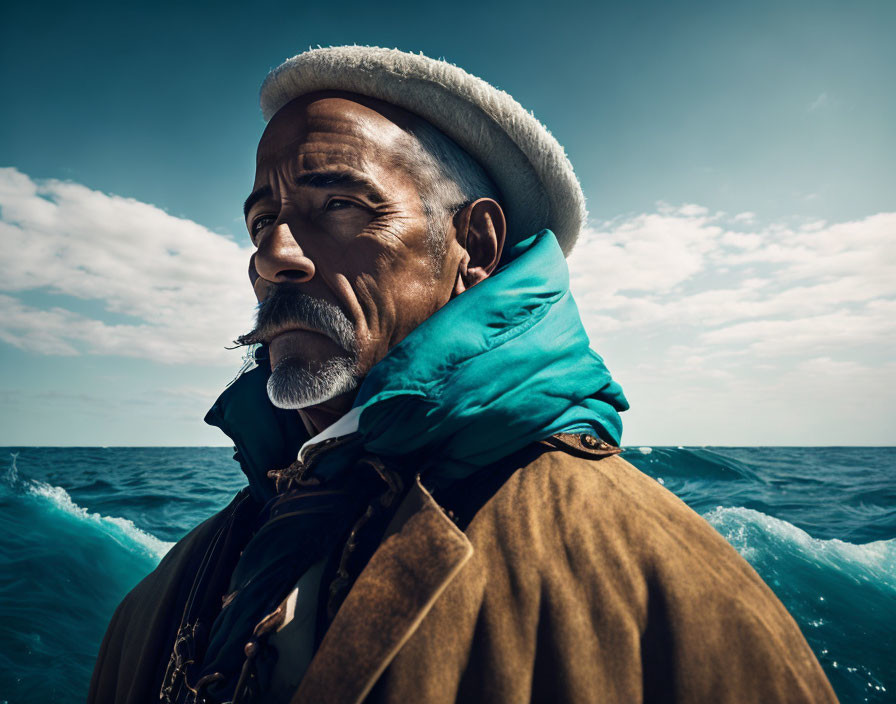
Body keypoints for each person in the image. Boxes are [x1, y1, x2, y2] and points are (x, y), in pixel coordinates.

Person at [89, 46, 838, 704]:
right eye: (261, 223)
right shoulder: (161, 601)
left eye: (340, 205)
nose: (274, 254)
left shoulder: (674, 599)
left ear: (473, 247)